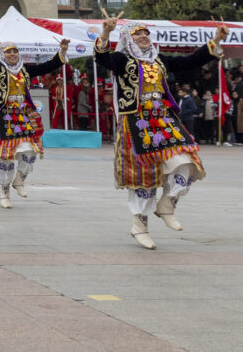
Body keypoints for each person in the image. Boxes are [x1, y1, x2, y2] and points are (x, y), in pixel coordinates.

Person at [94, 19, 225, 249]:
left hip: (163, 118)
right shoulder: (122, 60)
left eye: (146, 33)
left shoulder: (159, 59)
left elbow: (190, 61)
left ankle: (167, 204)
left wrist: (216, 40)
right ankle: (140, 225)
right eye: (137, 33)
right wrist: (105, 32)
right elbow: (102, 58)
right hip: (135, 121)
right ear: (128, 39)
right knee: (143, 176)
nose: (143, 36)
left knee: (187, 161)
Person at [0, 38, 69, 209]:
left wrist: (63, 50)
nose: (12, 54)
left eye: (15, 51)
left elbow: (48, 66)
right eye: (8, 51)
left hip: (22, 115)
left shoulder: (25, 69)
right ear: (2, 54)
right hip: (2, 115)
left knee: (30, 151)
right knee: (5, 157)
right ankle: (4, 193)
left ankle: (19, 179)